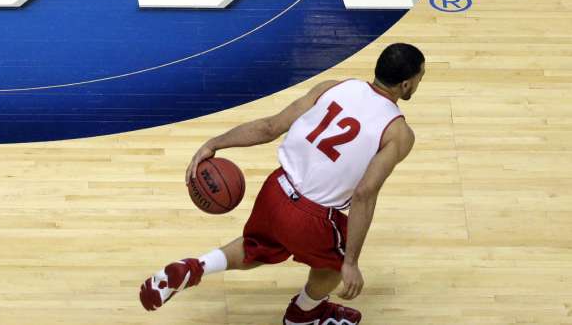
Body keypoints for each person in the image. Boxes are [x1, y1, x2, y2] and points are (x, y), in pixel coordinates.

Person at [139, 43, 425, 324]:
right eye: (420, 77)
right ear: (405, 84)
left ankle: (195, 267)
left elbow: (270, 127)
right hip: (313, 216)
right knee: (334, 266)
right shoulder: (399, 133)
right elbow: (365, 193)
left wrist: (214, 144)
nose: (419, 82)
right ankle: (302, 315)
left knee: (257, 247)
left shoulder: (333, 86)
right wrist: (350, 262)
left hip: (276, 188)